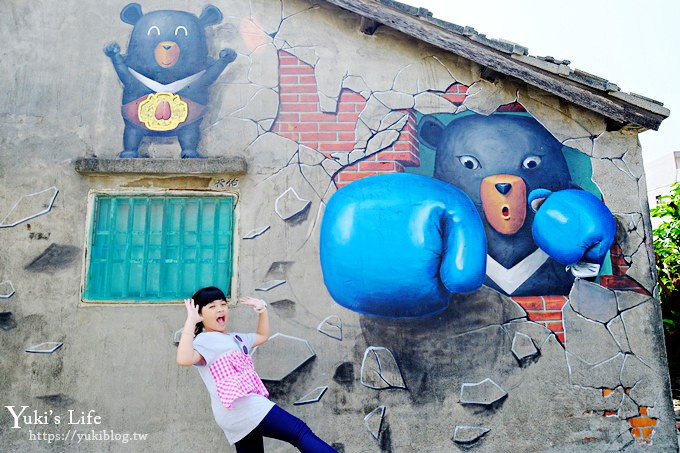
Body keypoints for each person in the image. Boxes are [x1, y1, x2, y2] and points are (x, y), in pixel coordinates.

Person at [176, 286, 337, 453]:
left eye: (223, 304)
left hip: (232, 414)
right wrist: (190, 322)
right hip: (243, 405)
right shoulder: (205, 340)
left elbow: (262, 336)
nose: (220, 309)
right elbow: (184, 359)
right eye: (212, 306)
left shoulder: (235, 338)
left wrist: (262, 311)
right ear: (200, 315)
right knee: (298, 432)